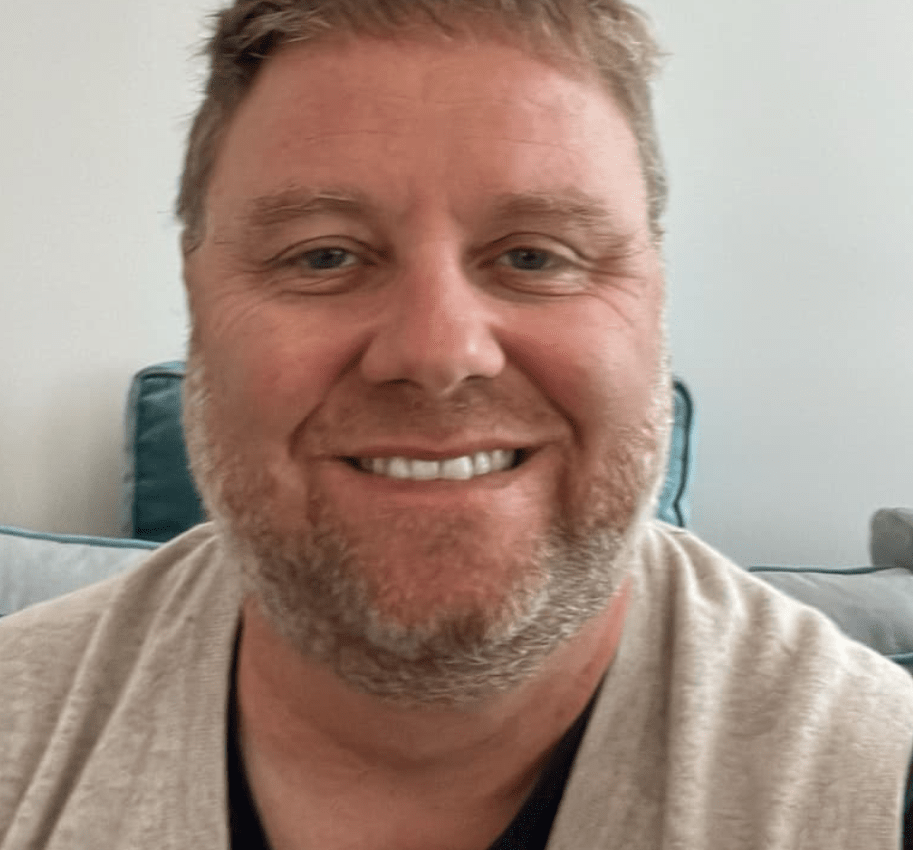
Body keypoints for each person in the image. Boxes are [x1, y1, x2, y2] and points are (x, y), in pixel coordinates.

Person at [2, 1, 912, 847]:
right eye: (323, 256)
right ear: (195, 297)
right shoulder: (20, 733)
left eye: (535, 256)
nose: (438, 353)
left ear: (654, 299)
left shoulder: (874, 780)